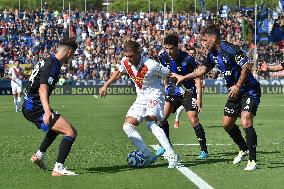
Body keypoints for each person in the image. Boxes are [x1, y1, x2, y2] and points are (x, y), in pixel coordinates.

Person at [172, 24, 261, 171]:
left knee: (246, 119)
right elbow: (202, 70)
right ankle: (244, 149)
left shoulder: (231, 49)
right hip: (234, 93)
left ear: (214, 38)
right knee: (227, 124)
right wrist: (184, 77)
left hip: (248, 89)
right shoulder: (212, 54)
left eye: (206, 40)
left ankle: (252, 160)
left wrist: (238, 86)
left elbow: (246, 66)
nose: (204, 43)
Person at [99, 40, 179, 168]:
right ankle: (147, 154)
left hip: (155, 95)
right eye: (127, 56)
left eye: (131, 56)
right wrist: (105, 85)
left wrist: (180, 85)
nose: (129, 59)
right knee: (127, 126)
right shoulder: (125, 62)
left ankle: (171, 154)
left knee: (150, 123)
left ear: (138, 53)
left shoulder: (151, 65)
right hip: (141, 97)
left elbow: (169, 74)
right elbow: (119, 72)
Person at [22, 38, 78, 176]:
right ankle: (58, 168)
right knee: (70, 132)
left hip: (30, 106)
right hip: (35, 107)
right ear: (69, 52)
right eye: (73, 54)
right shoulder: (53, 64)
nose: (72, 57)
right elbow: (42, 89)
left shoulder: (49, 60)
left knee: (55, 129)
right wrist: (47, 111)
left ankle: (39, 155)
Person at [156, 34, 208, 160]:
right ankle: (166, 145)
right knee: (162, 118)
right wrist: (166, 84)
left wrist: (199, 98)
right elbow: (165, 73)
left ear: (177, 47)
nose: (168, 51)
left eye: (171, 48)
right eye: (166, 48)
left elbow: (198, 78)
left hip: (189, 92)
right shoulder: (162, 57)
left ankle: (204, 150)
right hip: (174, 91)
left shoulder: (188, 59)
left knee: (193, 119)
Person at [173, 47, 199, 128]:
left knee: (195, 104)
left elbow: (198, 76)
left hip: (192, 87)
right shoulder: (183, 62)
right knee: (183, 106)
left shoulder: (194, 63)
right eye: (190, 53)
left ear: (195, 54)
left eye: (193, 53)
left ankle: (195, 122)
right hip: (183, 87)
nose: (192, 55)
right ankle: (176, 120)